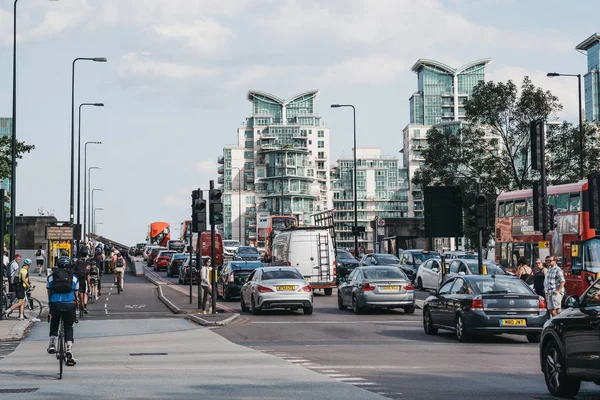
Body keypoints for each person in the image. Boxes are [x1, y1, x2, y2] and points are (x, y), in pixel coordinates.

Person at [46, 256, 78, 366]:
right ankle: (69, 347)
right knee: (68, 326)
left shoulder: (51, 277)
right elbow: (76, 291)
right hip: (69, 304)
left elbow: (49, 291)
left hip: (55, 303)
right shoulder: (73, 277)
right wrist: (76, 302)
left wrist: (50, 303)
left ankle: (52, 343)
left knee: (55, 320)